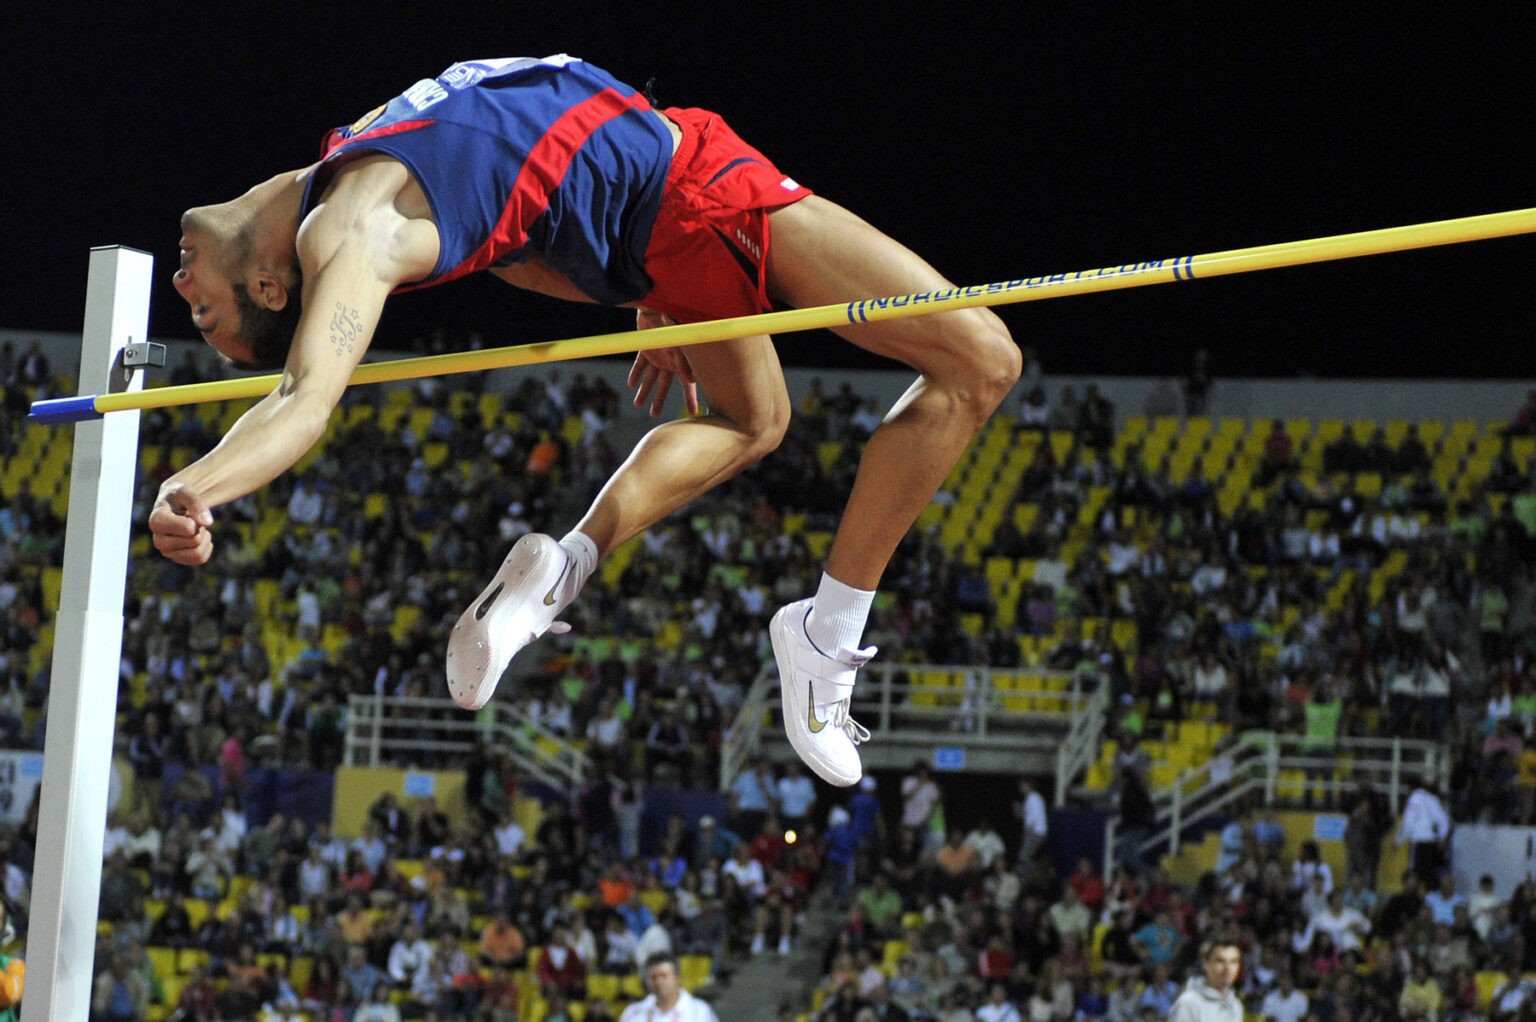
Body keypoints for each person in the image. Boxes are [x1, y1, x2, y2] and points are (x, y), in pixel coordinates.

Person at [149, 55, 1019, 790]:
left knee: (756, 421)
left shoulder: (346, 159)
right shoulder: (354, 228)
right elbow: (304, 396)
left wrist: (635, 284)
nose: (181, 287)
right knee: (981, 362)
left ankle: (565, 567)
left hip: (659, 213)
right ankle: (828, 637)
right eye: (202, 312)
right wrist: (194, 487)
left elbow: (513, 227)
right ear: (269, 290)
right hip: (692, 188)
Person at [619, 952, 718, 1022]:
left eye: (664, 976)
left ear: (677, 979)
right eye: (653, 977)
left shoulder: (699, 1011)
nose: (658, 982)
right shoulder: (632, 1012)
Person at [1167, 940, 1242, 1022]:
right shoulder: (1189, 1003)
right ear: (1205, 963)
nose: (1228, 968)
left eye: (1233, 962)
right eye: (1220, 961)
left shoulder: (1235, 1005)